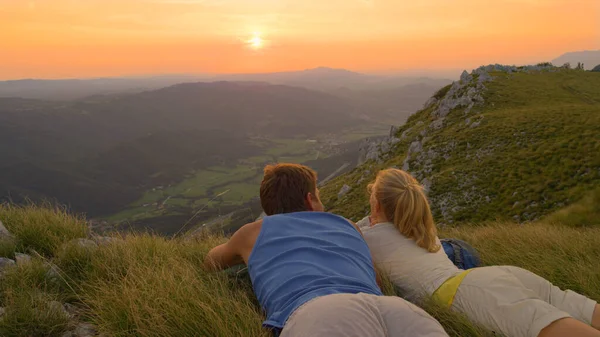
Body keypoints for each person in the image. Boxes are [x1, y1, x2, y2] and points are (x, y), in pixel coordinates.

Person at [204, 163, 448, 337]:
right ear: (310, 201)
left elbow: (211, 262)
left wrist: (245, 254)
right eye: (319, 197)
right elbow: (375, 279)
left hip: (321, 313)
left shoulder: (252, 232)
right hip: (393, 308)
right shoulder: (348, 225)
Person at [361, 168, 600, 337]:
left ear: (377, 205)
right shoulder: (419, 226)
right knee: (570, 303)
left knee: (550, 325)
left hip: (464, 293)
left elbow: (347, 229)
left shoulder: (369, 239)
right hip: (486, 279)